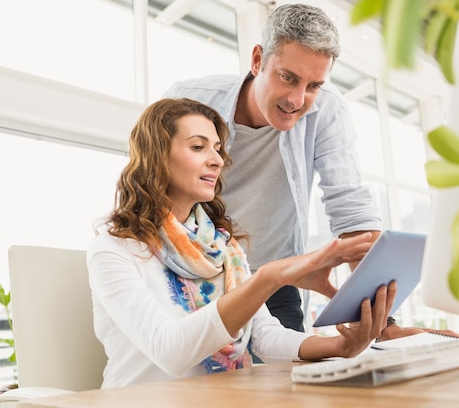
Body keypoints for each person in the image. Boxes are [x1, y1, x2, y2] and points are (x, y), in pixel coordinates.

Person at [163, 3, 459, 341]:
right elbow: (149, 189)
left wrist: (384, 324)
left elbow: (351, 209)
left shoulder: (326, 109)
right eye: (287, 77)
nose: (297, 99)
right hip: (193, 274)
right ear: (258, 59)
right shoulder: (189, 100)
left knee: (286, 386)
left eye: (313, 85)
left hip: (276, 283)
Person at [87, 97, 397, 388]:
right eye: (198, 147)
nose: (216, 160)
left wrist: (340, 345)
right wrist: (269, 277)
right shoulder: (114, 249)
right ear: (157, 156)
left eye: (217, 149)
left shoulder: (223, 248)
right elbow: (171, 351)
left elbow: (264, 336)